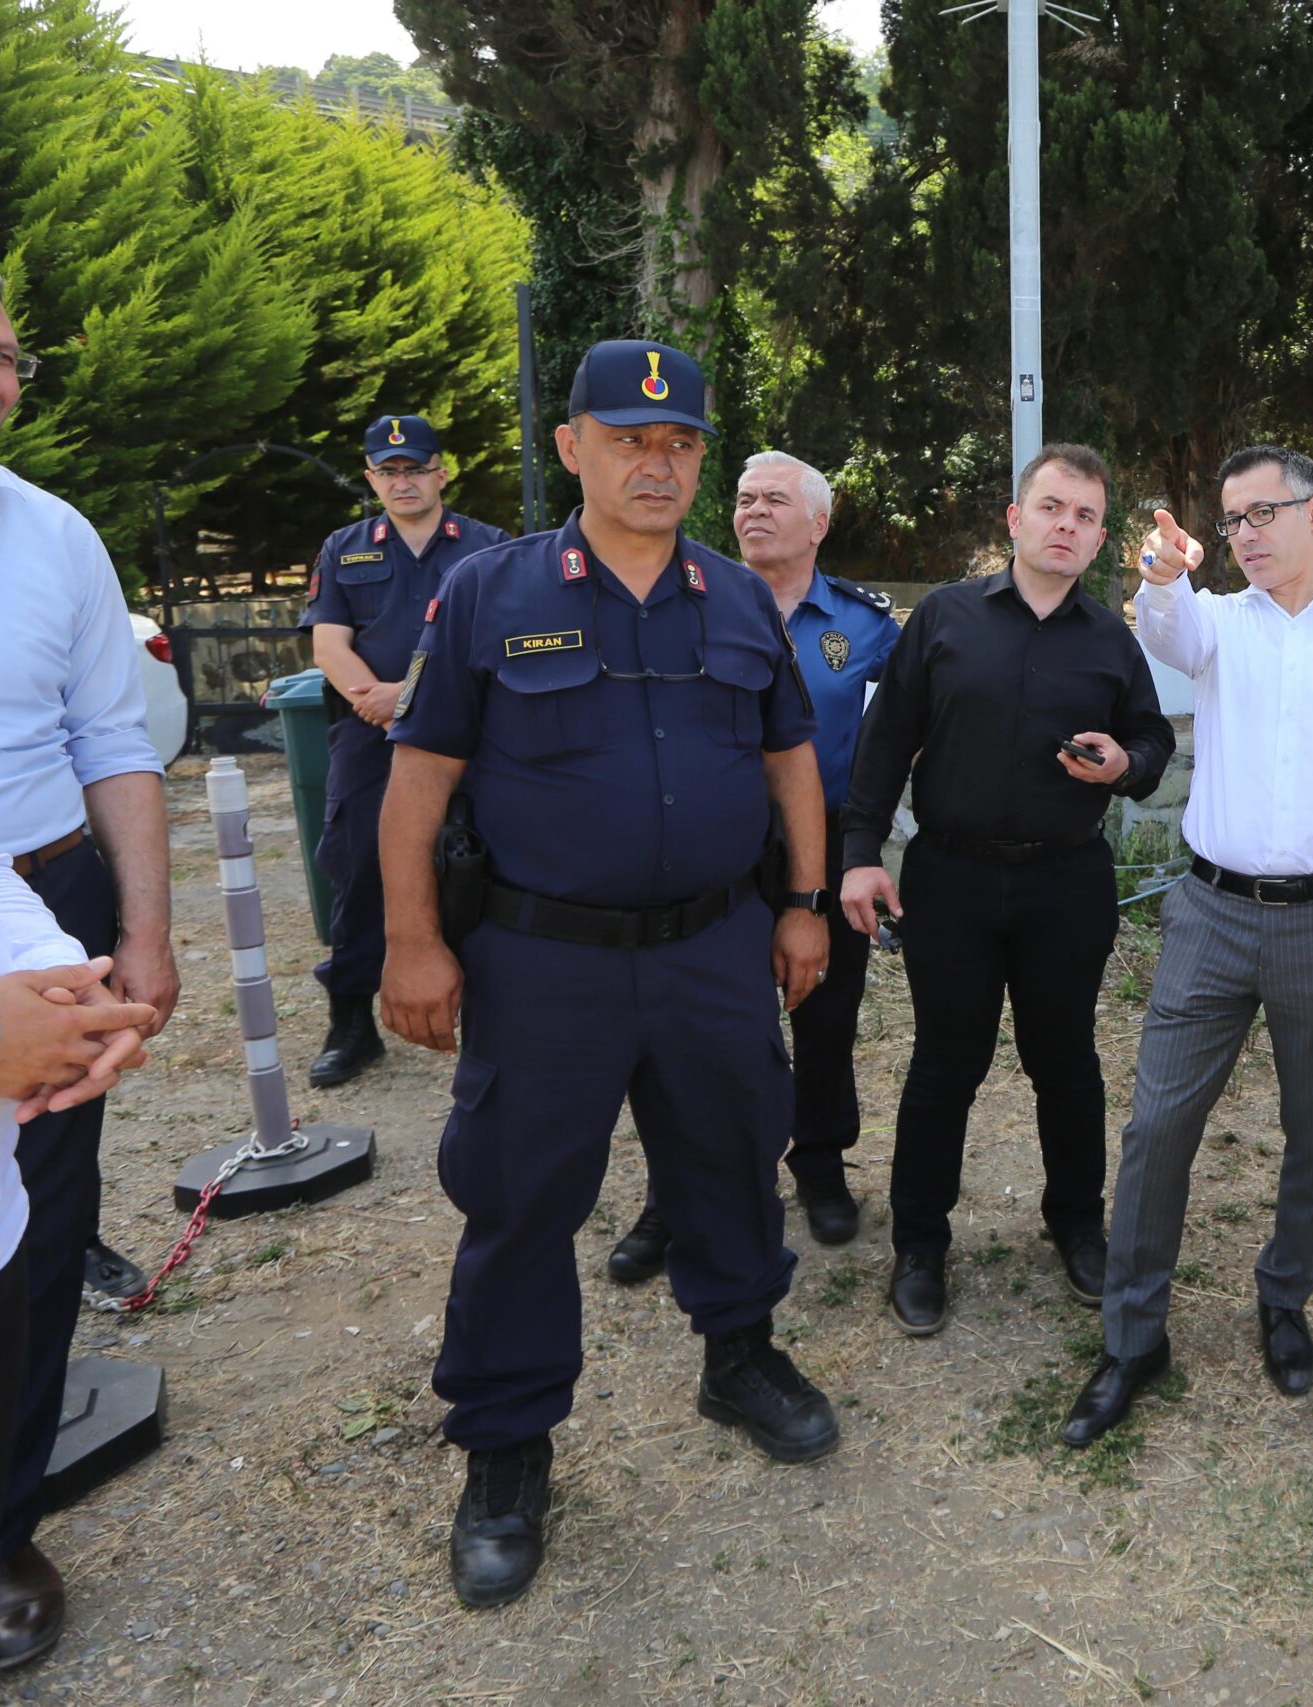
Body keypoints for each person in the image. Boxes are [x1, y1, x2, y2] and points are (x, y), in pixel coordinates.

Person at [378, 339, 838, 1609]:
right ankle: (507, 1445)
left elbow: (789, 761)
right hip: (543, 963)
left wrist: (802, 907)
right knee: (520, 1194)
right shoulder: (487, 590)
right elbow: (418, 783)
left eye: (680, 443)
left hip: (712, 948)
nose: (658, 463)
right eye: (630, 440)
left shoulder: (737, 598)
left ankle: (738, 1355)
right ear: (572, 447)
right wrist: (411, 942)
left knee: (732, 1155)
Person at [0, 230, 180, 1679]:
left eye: (1, 354)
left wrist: (116, 948)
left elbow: (92, 750)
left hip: (38, 901)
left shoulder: (51, 533)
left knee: (29, 1236)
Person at [1064, 443, 1313, 1446]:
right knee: (1157, 1125)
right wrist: (1162, 573)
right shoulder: (1217, 623)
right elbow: (1165, 627)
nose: (1246, 535)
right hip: (1212, 912)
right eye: (1232, 521)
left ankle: (1284, 1295)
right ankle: (1133, 1337)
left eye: (1262, 513)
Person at [839, 443, 1174, 1334]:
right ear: (1016, 519)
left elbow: (1153, 743)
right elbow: (886, 739)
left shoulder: (1111, 641)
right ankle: (920, 1242)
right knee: (945, 1063)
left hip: (1066, 882)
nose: (1067, 526)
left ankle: (1077, 1225)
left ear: (1099, 537)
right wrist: (861, 850)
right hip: (950, 879)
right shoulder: (943, 618)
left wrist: (1125, 763)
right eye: (1053, 508)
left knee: (1065, 1062)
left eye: (1086, 516)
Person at [606, 449, 899, 1274]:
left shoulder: (866, 625)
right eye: (744, 498)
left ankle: (820, 1164)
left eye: (775, 499)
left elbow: (902, 733)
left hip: (827, 842)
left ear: (819, 523)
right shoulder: (687, 605)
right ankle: (675, 1192)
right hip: (713, 841)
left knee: (826, 1014)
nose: (754, 511)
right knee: (693, 1026)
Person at [297, 413, 509, 1088]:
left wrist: (408, 695)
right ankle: (351, 1023)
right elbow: (328, 643)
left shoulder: (489, 548)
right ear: (371, 479)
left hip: (470, 735)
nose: (403, 481)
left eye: (415, 468)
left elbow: (495, 643)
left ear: (441, 473)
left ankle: (497, 1011)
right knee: (359, 866)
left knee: (486, 864)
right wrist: (378, 699)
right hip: (370, 737)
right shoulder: (344, 548)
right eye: (388, 471)